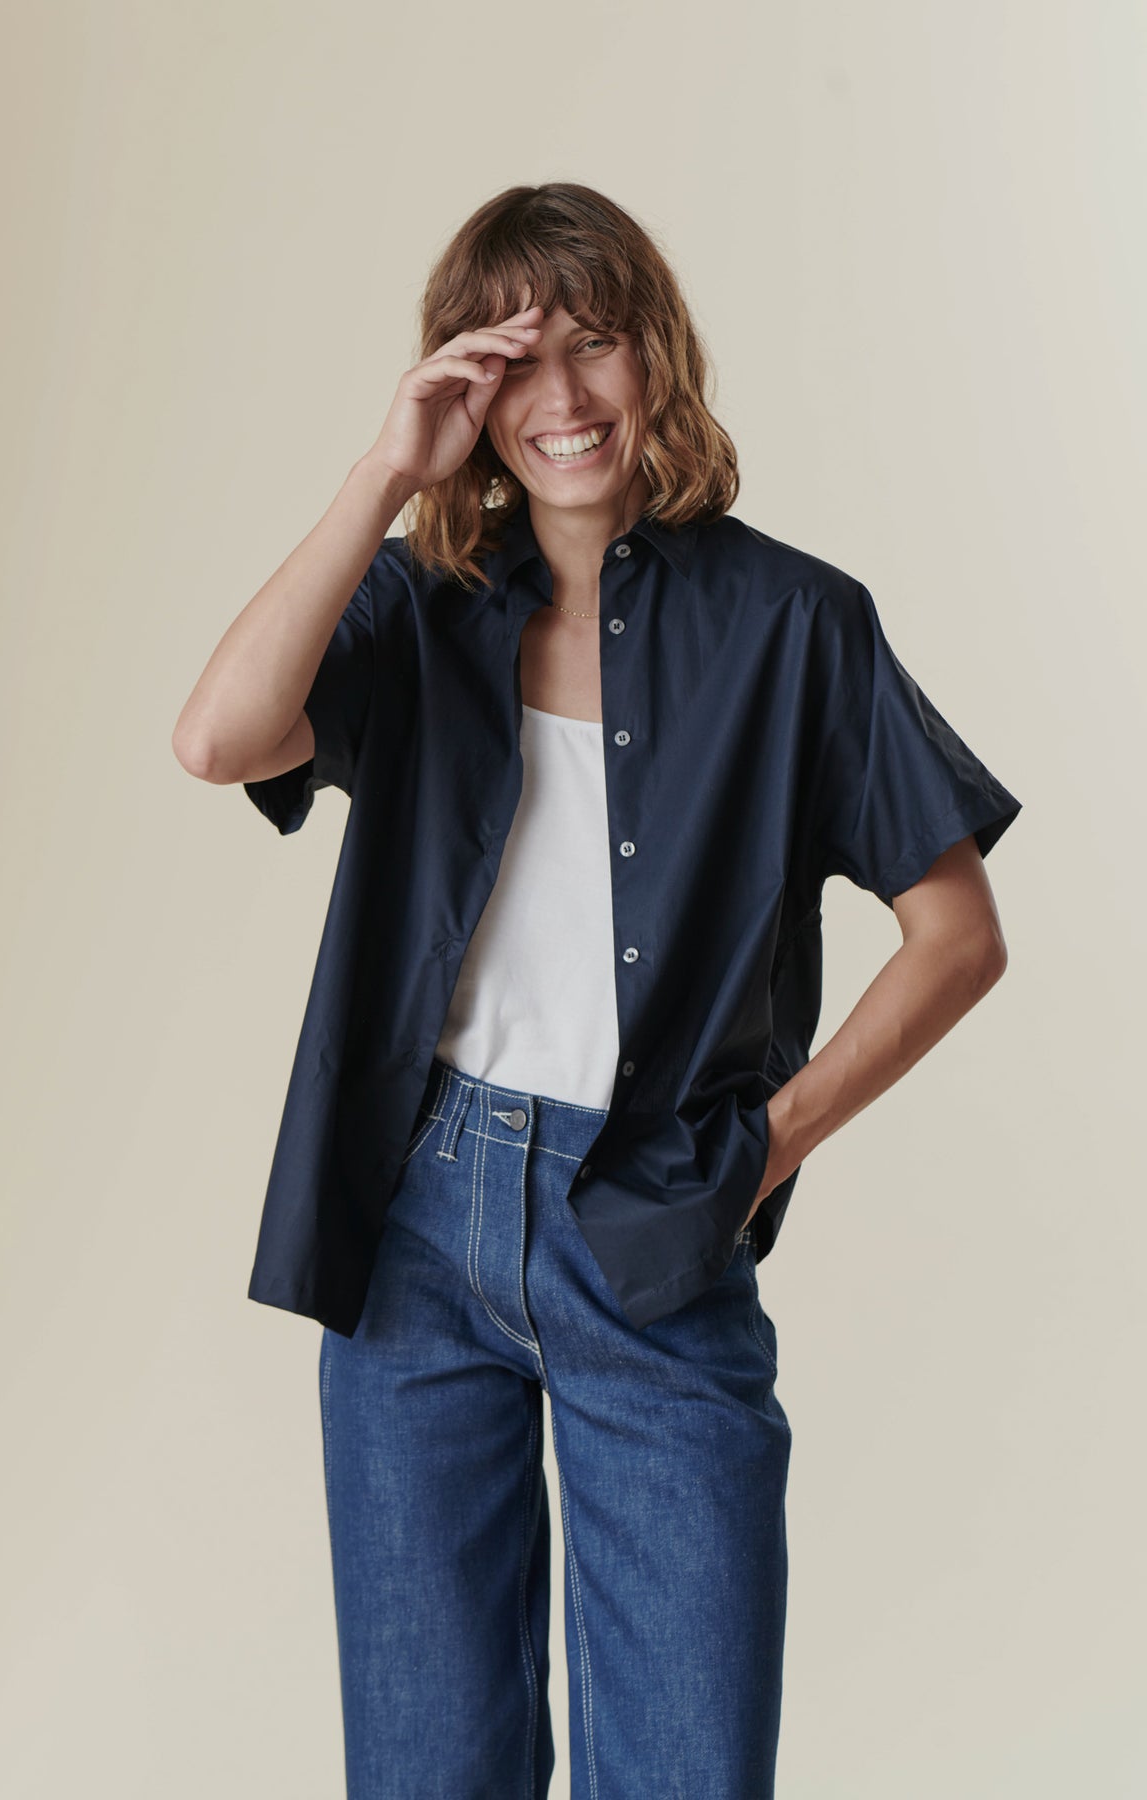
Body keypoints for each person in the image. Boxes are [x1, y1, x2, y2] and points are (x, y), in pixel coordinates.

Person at [173, 182, 1021, 1800]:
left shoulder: (795, 625)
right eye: (512, 356)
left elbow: (959, 934)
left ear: (659, 360)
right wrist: (380, 474)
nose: (561, 397)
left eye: (597, 341)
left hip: (651, 1225)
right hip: (415, 1229)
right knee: (429, 1769)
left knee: (688, 1771)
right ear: (466, 393)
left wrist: (763, 1151)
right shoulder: (423, 608)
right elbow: (215, 742)